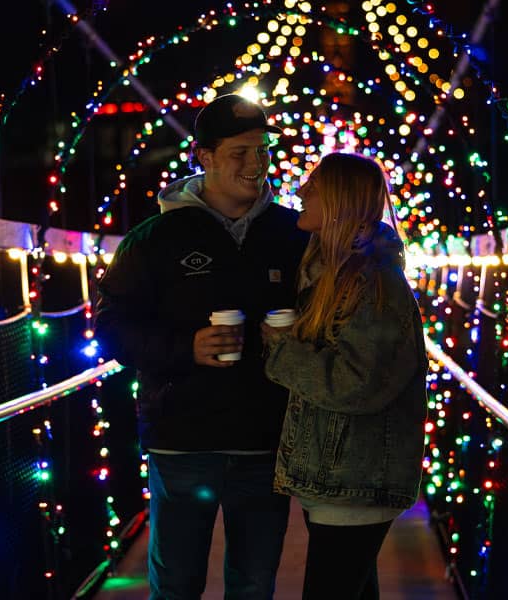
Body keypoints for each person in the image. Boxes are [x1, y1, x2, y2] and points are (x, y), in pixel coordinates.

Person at [94, 94, 310, 600]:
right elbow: (112, 327)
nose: (256, 165)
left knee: (254, 587)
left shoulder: (292, 233)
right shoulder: (153, 239)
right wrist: (184, 348)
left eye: (263, 151)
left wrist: (294, 339)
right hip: (182, 441)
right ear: (205, 157)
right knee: (176, 586)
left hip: (265, 441)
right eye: (240, 153)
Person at [260, 153, 428, 600]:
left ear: (338, 199)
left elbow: (357, 382)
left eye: (312, 186)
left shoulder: (375, 284)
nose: (299, 192)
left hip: (356, 478)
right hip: (341, 476)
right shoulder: (332, 275)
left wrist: (280, 351)